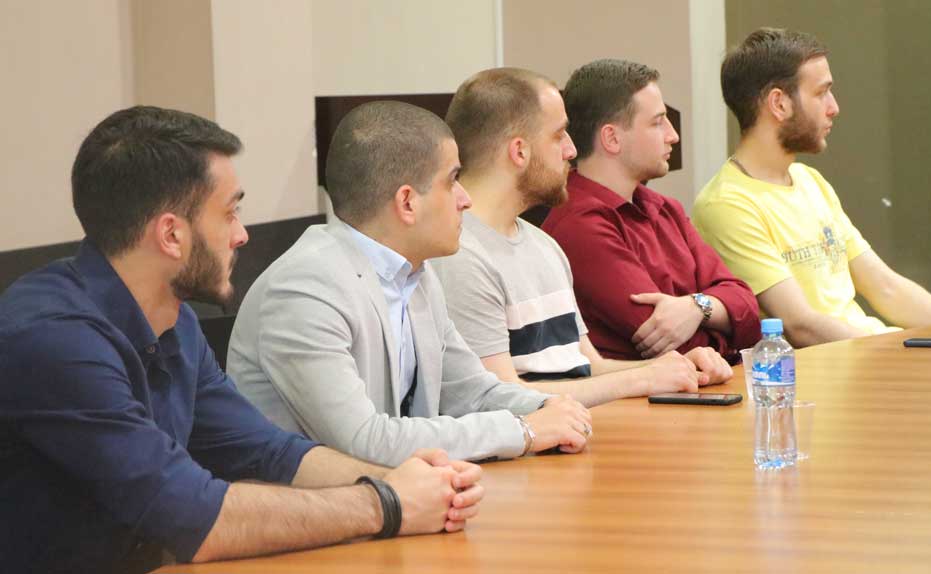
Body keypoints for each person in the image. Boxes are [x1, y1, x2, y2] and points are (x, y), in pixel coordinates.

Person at [0, 106, 485, 574]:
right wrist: (388, 504)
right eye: (229, 213)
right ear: (171, 235)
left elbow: (269, 451)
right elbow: (195, 517)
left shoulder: (174, 321)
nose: (241, 235)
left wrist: (405, 482)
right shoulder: (52, 340)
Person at [227, 101, 591, 468]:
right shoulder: (306, 288)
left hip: (397, 491)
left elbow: (471, 391)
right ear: (407, 202)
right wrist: (524, 430)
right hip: (311, 500)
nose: (465, 199)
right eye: (452, 181)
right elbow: (365, 440)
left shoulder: (417, 274)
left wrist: (547, 408)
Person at [432, 67, 731, 408]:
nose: (571, 150)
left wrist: (675, 366)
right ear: (519, 151)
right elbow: (500, 397)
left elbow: (587, 366)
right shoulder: (461, 256)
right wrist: (642, 378)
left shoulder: (544, 246)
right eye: (559, 135)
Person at [693, 28, 931, 347]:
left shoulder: (809, 180)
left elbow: (885, 287)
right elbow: (800, 324)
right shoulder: (726, 204)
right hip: (837, 366)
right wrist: (900, 354)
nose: (833, 107)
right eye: (821, 93)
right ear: (779, 104)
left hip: (872, 351)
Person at [542, 59, 761, 364]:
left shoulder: (665, 208)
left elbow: (748, 310)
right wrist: (723, 326)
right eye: (658, 122)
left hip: (706, 382)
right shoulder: (580, 224)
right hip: (648, 392)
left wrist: (696, 307)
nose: (673, 135)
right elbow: (674, 345)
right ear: (612, 138)